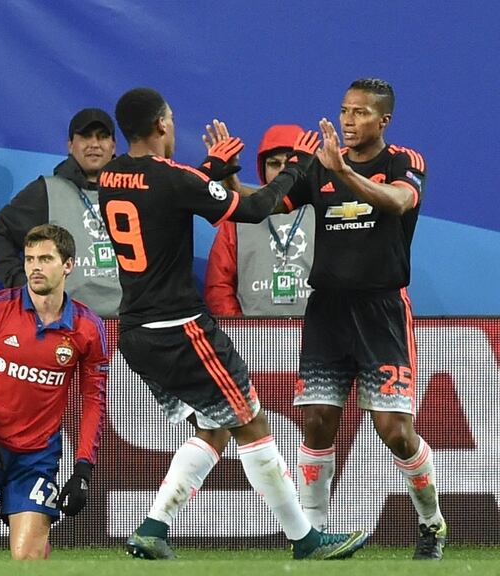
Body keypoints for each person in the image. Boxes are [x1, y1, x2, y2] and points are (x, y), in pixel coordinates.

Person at [98, 87, 368, 561]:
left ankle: (152, 527)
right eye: (172, 119)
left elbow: (167, 199)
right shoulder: (175, 178)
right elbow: (255, 209)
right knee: (249, 419)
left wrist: (212, 174)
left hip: (135, 330)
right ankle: (305, 539)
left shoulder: (110, 176)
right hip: (178, 325)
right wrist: (298, 168)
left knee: (216, 426)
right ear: (162, 125)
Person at [284, 79, 444, 560]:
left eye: (360, 112)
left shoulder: (404, 162)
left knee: (394, 430)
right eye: (344, 111)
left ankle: (431, 523)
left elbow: (396, 202)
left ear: (384, 120)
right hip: (328, 310)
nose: (349, 120)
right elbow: (267, 205)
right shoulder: (320, 166)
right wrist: (224, 182)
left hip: (382, 309)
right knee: (316, 422)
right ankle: (312, 535)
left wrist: (343, 173)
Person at [0, 224, 109, 560]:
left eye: (45, 258)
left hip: (37, 458)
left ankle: (37, 535)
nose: (35, 267)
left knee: (27, 560)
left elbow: (93, 402)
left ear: (68, 265)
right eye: (29, 259)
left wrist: (84, 468)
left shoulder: (87, 328)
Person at [0, 109, 121, 316]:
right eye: (85, 137)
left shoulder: (134, 192)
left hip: (128, 327)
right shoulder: (45, 192)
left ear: (113, 146)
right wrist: (24, 285)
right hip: (66, 326)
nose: (94, 144)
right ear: (70, 145)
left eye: (102, 137)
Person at [205, 124, 316, 316]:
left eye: (292, 163)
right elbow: (219, 285)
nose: (284, 171)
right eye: (274, 164)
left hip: (318, 339)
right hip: (253, 339)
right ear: (262, 168)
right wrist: (242, 333)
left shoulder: (324, 210)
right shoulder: (238, 217)